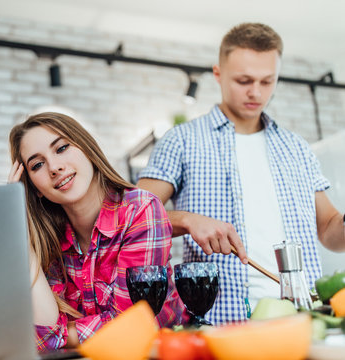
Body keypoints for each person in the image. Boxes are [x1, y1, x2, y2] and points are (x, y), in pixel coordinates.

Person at [137, 23, 345, 324]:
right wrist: (187, 219)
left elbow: (329, 231)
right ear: (218, 74)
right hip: (222, 323)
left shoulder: (297, 147)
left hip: (304, 320)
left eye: (267, 81)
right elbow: (131, 219)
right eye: (244, 80)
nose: (256, 92)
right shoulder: (182, 140)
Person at [8, 112, 187, 350]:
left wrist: (61, 337)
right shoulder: (49, 240)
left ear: (86, 148)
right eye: (37, 164)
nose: (54, 167)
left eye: (61, 148)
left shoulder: (140, 209)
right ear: (34, 188)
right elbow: (42, 336)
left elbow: (131, 326)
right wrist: (21, 232)